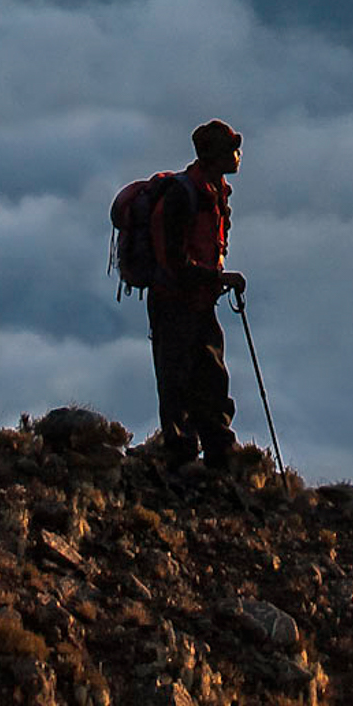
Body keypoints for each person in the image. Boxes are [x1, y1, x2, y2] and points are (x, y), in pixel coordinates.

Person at [149, 118, 245, 478]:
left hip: (198, 300)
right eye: (231, 149)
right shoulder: (184, 194)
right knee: (178, 379)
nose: (237, 156)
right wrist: (218, 278)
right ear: (212, 155)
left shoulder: (214, 193)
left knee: (210, 376)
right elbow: (175, 261)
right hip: (175, 300)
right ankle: (183, 457)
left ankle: (217, 452)